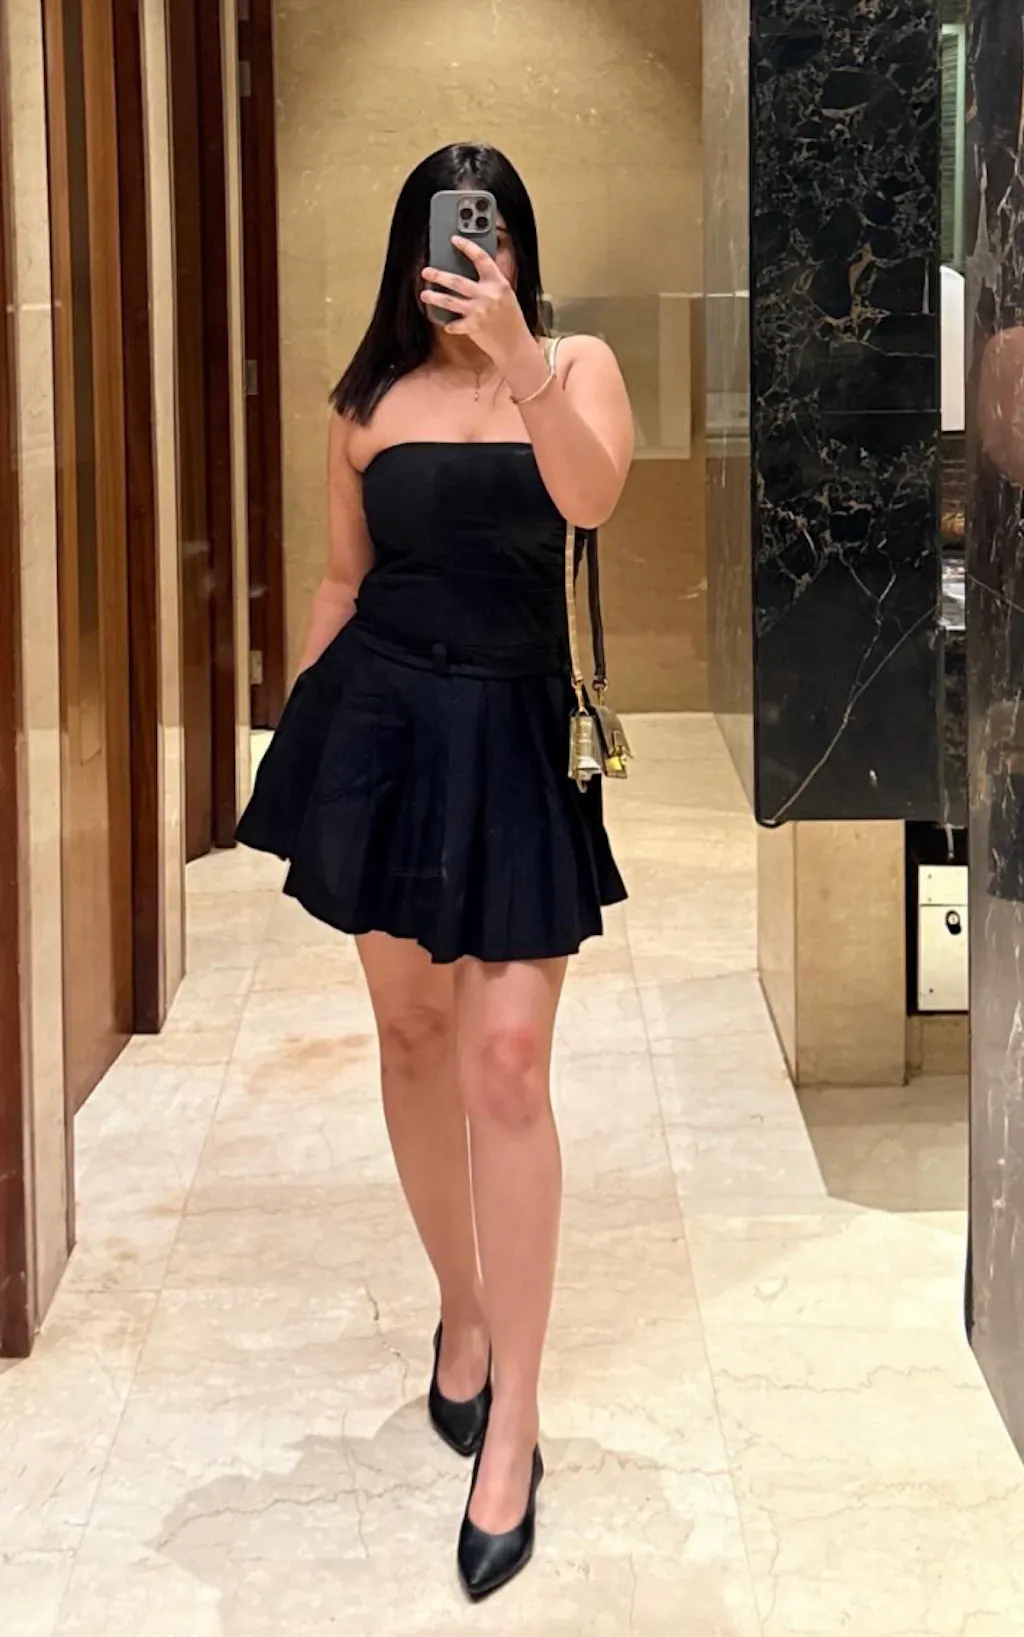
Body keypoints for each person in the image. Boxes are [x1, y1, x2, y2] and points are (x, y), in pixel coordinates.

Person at [237, 140, 633, 1600]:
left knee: (507, 1062)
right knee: (411, 1038)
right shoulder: (365, 403)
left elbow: (591, 500)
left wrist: (521, 357)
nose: (472, 259)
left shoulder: (574, 368)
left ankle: (512, 1419)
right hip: (383, 731)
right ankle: (461, 1315)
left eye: (494, 234)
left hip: (514, 735)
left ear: (520, 246)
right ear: (411, 254)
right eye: (448, 236)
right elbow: (344, 578)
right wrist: (303, 744)